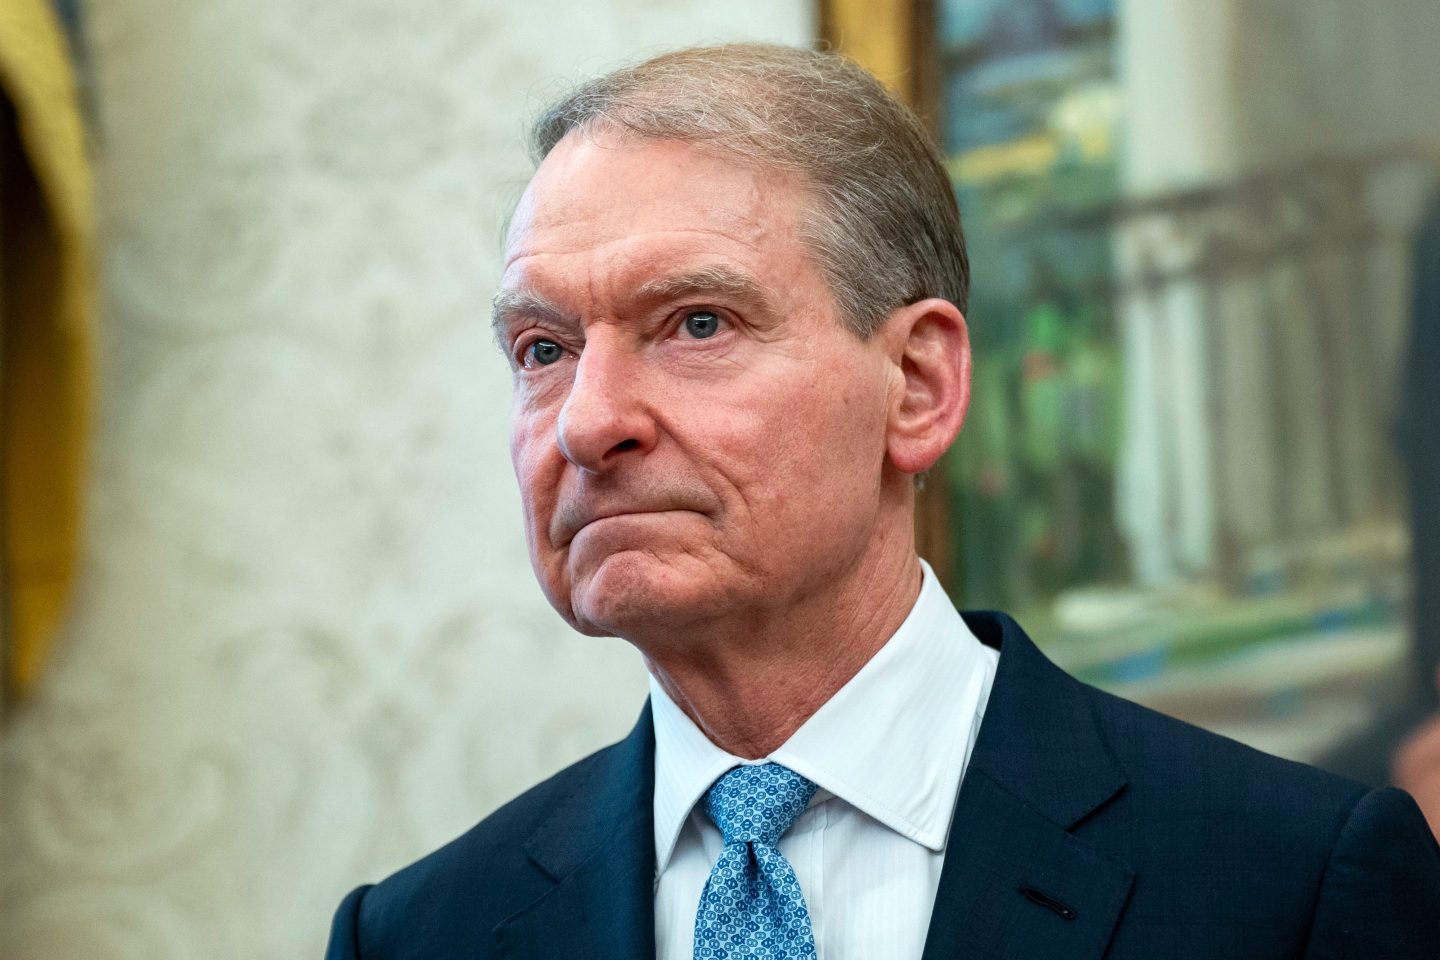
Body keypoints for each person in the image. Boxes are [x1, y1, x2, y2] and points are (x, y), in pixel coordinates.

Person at [325, 44, 1440, 959]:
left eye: (697, 323)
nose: (587, 419)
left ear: (916, 388)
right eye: (543, 347)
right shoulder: (419, 933)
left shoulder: (1293, 885)